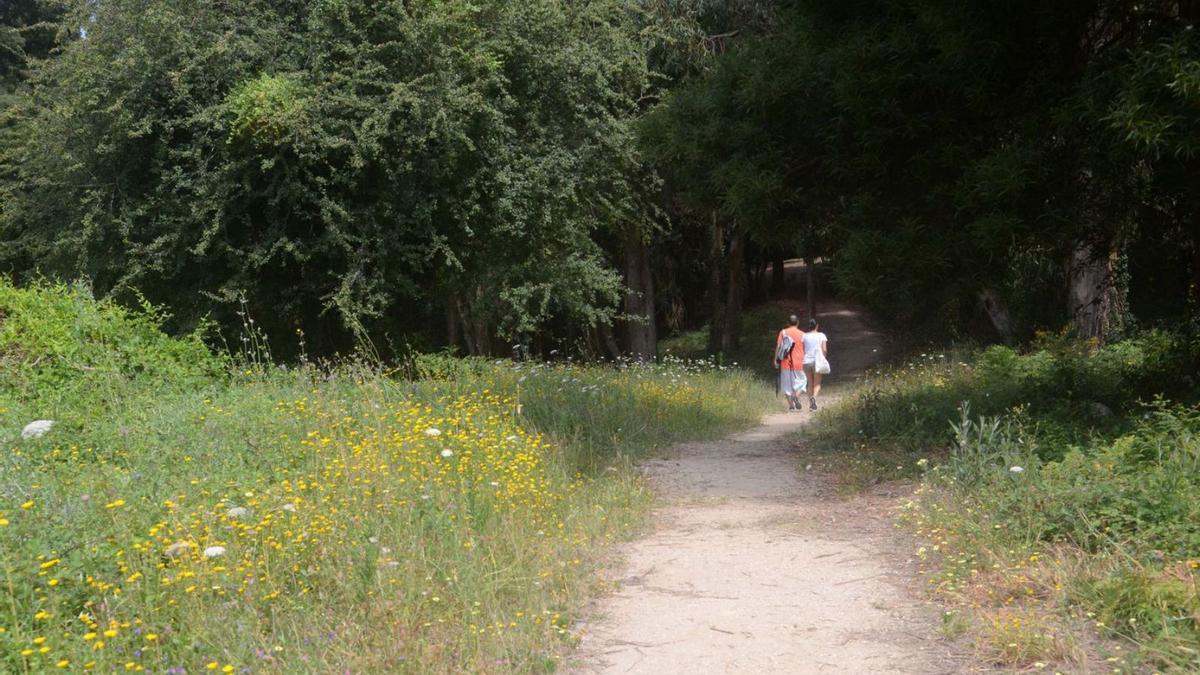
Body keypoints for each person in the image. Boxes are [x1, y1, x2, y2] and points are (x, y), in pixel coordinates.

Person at [774, 315, 807, 412]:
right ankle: (795, 396)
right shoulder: (803, 334)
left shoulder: (783, 332)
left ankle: (791, 406)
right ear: (798, 323)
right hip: (799, 363)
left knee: (786, 385)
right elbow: (805, 349)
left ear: (788, 323)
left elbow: (779, 346)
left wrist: (775, 360)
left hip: (785, 363)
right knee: (803, 381)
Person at [801, 318, 829, 410]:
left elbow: (803, 349)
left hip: (806, 361)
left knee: (810, 383)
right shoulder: (822, 335)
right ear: (817, 326)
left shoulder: (804, 336)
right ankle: (814, 399)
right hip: (817, 361)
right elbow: (824, 349)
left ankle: (810, 402)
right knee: (817, 384)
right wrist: (823, 358)